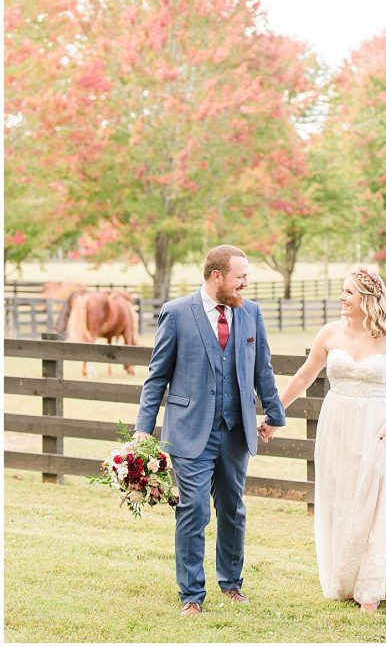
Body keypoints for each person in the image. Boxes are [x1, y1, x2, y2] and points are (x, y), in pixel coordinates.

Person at [270, 267, 386, 611]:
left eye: (348, 292)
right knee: (342, 496)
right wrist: (275, 414)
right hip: (338, 425)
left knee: (374, 498)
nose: (342, 298)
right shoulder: (330, 334)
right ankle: (347, 578)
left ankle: (373, 586)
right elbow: (304, 376)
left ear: (366, 299)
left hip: (379, 425)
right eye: (342, 292)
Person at [134, 244, 287, 616]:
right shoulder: (176, 313)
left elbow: (262, 369)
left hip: (235, 431)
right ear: (216, 276)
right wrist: (143, 428)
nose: (245, 284)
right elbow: (157, 378)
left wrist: (274, 415)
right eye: (240, 278)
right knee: (194, 509)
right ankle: (191, 595)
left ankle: (232, 584)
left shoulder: (250, 313)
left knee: (233, 509)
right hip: (189, 431)